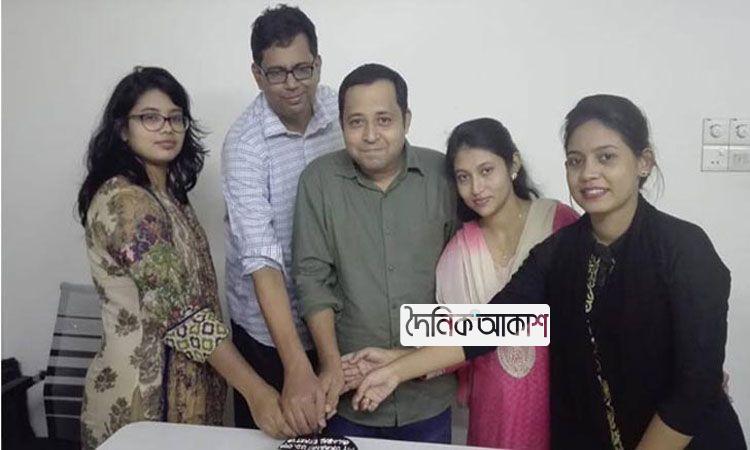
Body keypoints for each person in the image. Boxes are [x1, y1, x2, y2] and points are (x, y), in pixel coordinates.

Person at [353, 95, 746, 449]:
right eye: (575, 160)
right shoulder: (559, 252)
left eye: (606, 157)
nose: (588, 173)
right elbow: (491, 324)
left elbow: (694, 388)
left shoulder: (684, 249)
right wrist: (396, 369)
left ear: (643, 161)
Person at [76, 66, 295, 449]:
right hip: (141, 406)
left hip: (189, 400)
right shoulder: (126, 202)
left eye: (175, 118)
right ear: (122, 129)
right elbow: (183, 315)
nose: (167, 128)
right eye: (150, 117)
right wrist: (256, 391)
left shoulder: (170, 196)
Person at [342, 117, 578, 449]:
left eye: (486, 171)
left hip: (559, 403)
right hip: (494, 412)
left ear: (513, 164)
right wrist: (394, 358)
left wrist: (399, 368)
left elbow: (568, 320)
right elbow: (460, 338)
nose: (476, 188)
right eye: (463, 177)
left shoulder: (559, 223)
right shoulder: (458, 252)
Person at [292, 63, 457, 443]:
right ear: (341, 125)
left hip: (427, 396)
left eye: (384, 120)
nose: (370, 136)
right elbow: (312, 280)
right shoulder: (318, 181)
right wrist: (331, 365)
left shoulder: (444, 175)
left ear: (406, 120)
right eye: (356, 122)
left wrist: (413, 360)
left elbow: (463, 282)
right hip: (348, 392)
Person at [221, 4, 343, 435]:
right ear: (257, 75)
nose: (292, 84)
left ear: (318, 64)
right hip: (270, 333)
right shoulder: (245, 146)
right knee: (279, 434)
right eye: (277, 73)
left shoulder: (340, 113)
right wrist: (295, 365)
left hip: (332, 317)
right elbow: (263, 262)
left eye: (302, 69)